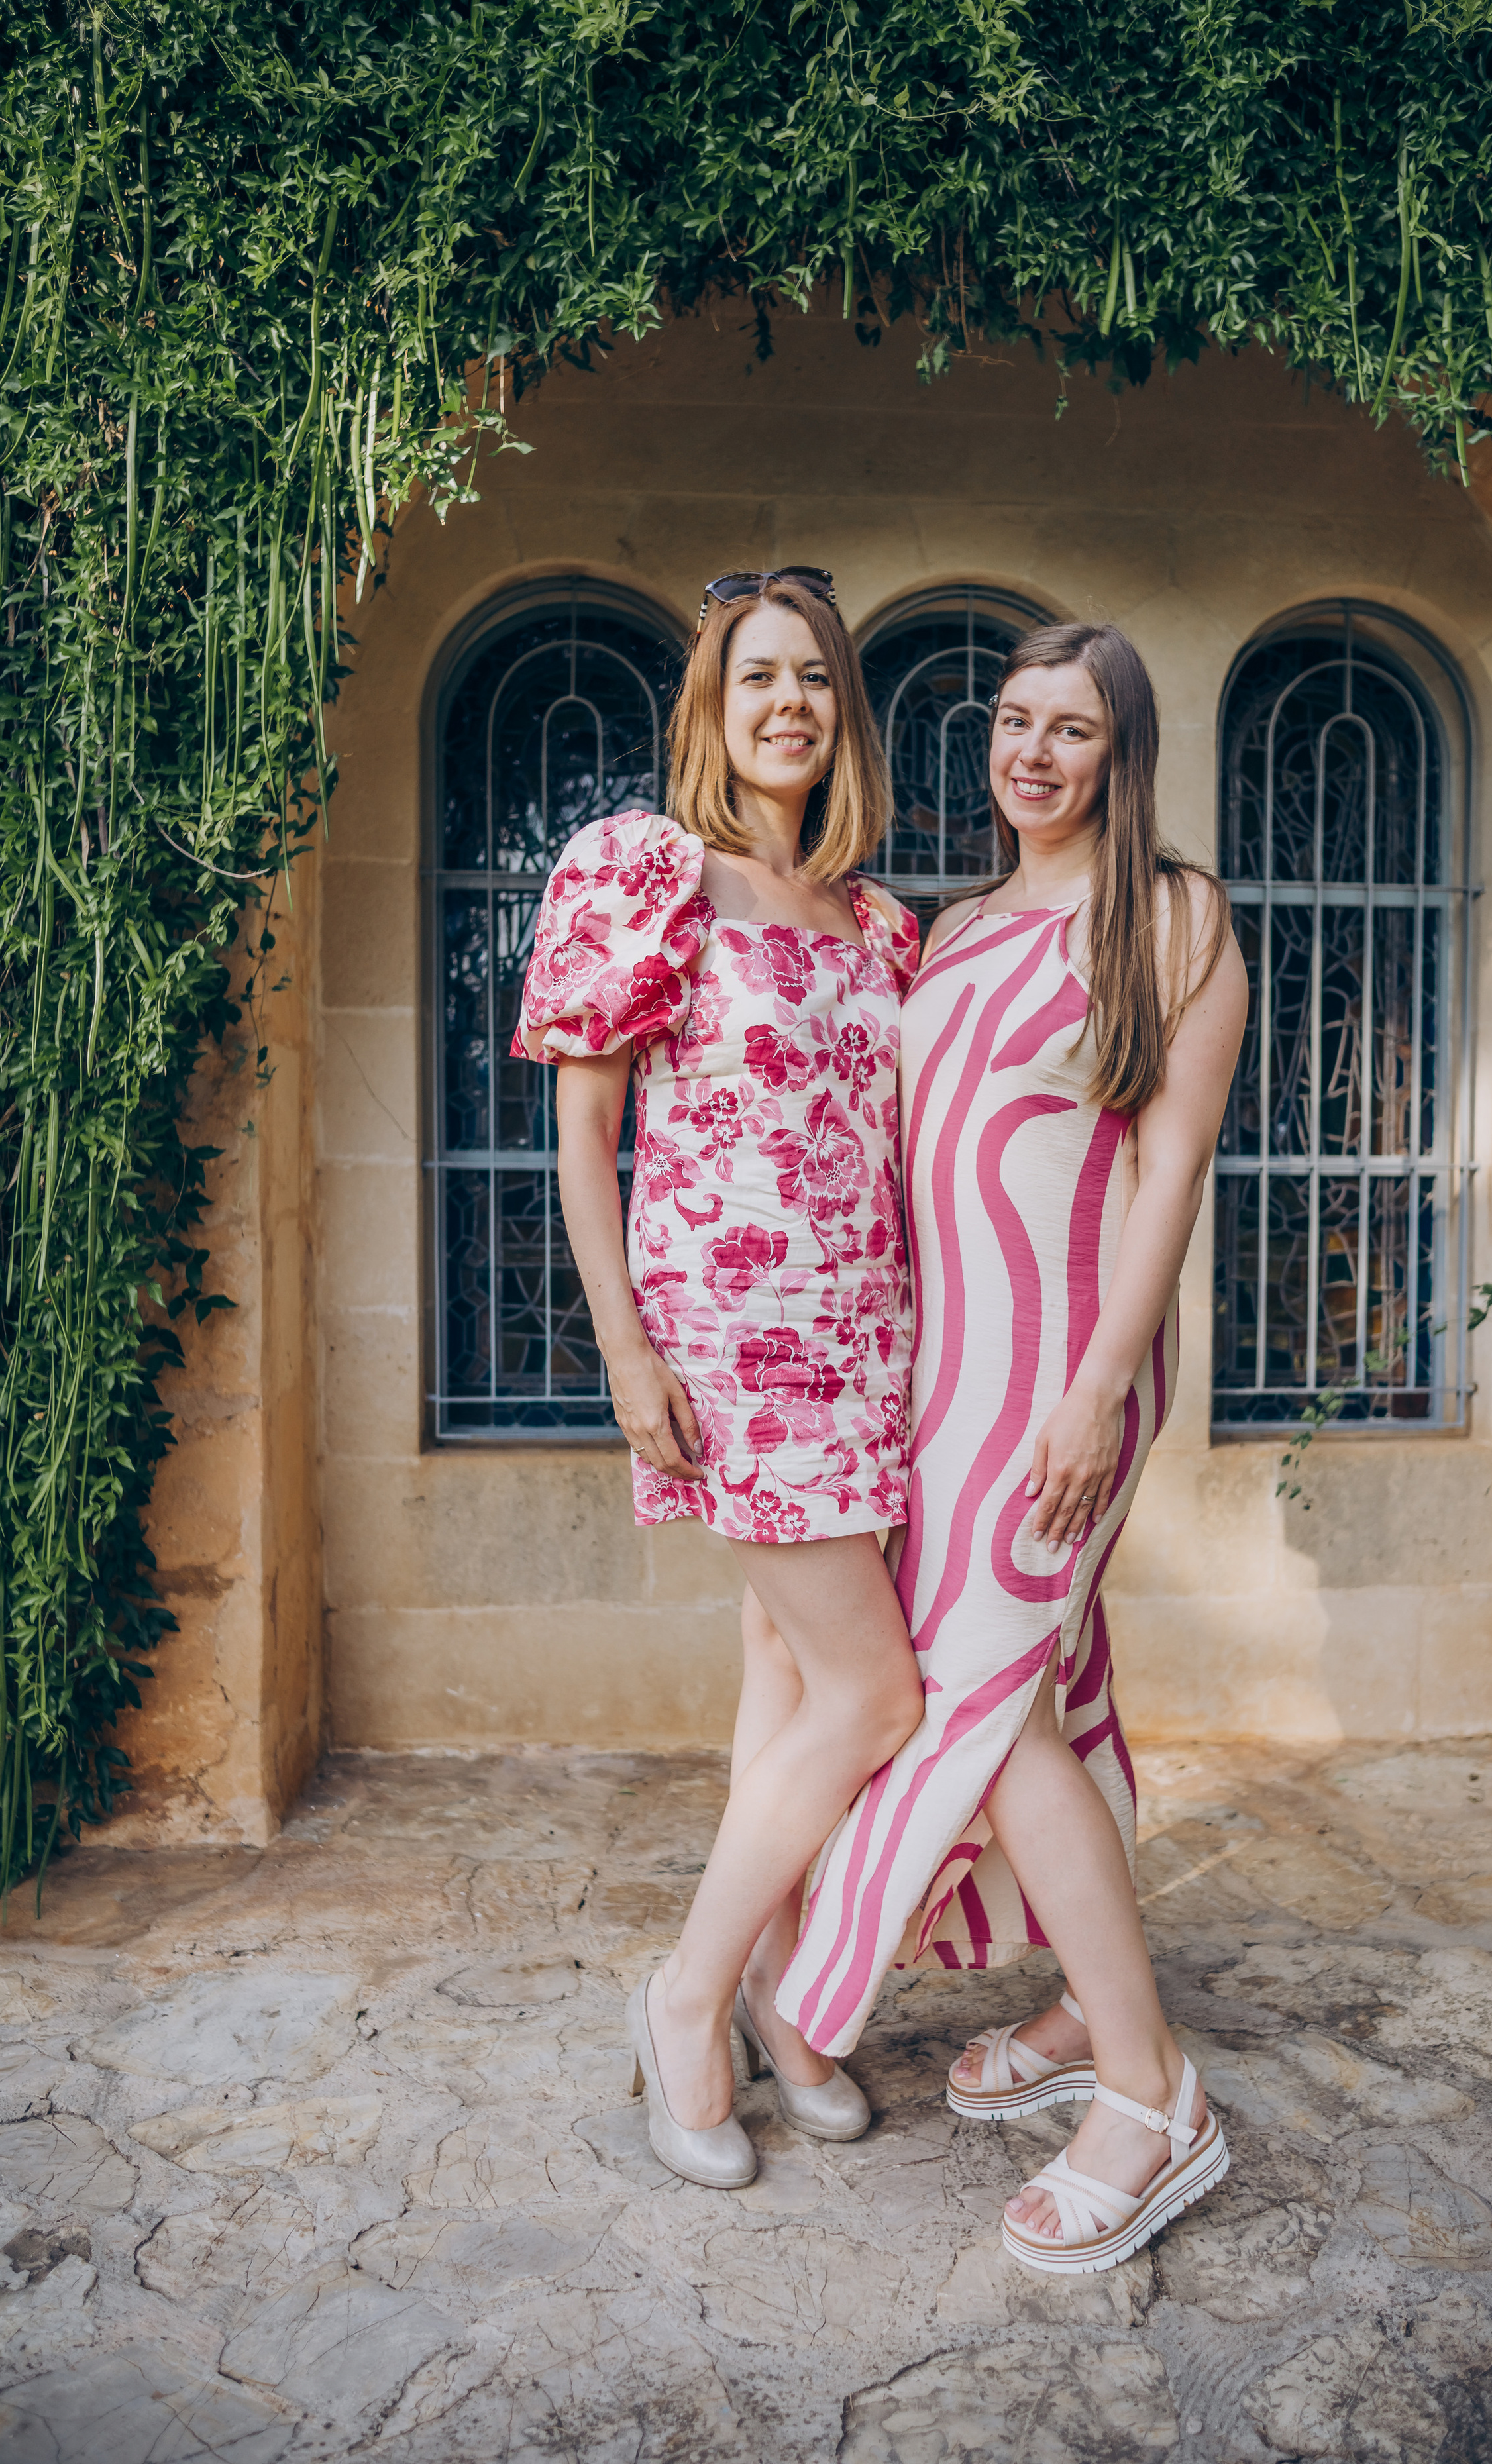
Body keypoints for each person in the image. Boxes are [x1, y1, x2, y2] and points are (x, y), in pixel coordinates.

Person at [775, 621, 1248, 2273]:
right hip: (935, 1375)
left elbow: (1167, 1178)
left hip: (1061, 1371)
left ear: (1121, 756)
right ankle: (1077, 2004)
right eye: (1010, 721)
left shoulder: (1174, 917)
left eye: (1071, 730)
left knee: (986, 1693)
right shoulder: (957, 923)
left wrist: (1092, 1389)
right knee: (1046, 1688)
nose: (1031, 754)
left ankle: (1148, 2092)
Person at [515, 568, 924, 2189]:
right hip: (729, 1346)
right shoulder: (643, 871)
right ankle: (686, 2000)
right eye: (756, 677)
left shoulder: (877, 918)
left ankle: (778, 1990)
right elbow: (584, 1133)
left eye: (813, 679)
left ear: (842, 712)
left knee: (788, 1683)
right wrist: (622, 1345)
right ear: (710, 705)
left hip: (871, 1344)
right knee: (875, 1694)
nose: (787, 705)